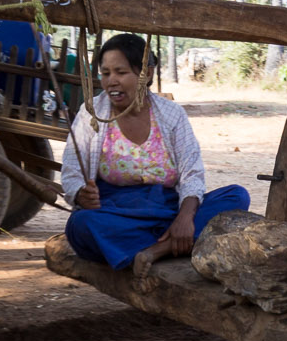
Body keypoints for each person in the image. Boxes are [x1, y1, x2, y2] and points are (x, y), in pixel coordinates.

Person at [60, 33, 250, 272]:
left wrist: (185, 218)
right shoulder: (92, 113)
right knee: (81, 225)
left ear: (146, 74)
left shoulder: (171, 115)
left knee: (236, 196)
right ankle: (175, 243)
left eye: (121, 72)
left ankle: (157, 249)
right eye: (105, 73)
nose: (111, 81)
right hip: (118, 213)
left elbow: (191, 173)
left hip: (168, 208)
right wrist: (80, 194)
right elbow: (71, 169)